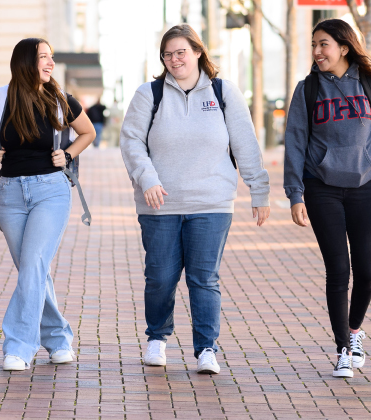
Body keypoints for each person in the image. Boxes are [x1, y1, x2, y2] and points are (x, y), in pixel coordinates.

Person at [118, 24, 270, 375]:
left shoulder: (222, 91)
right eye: (168, 54)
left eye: (181, 52)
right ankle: (157, 337)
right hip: (160, 204)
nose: (174, 59)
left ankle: (206, 349)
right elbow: (131, 142)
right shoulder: (149, 94)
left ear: (198, 52)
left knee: (204, 278)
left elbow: (244, 144)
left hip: (211, 203)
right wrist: (148, 179)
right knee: (160, 277)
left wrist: (258, 191)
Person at [282, 19, 371, 379]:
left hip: (364, 185)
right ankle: (342, 349)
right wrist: (295, 193)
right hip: (321, 187)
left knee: (367, 272)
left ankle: (354, 331)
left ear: (344, 47)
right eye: (313, 45)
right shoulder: (307, 90)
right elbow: (294, 143)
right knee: (338, 270)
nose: (317, 51)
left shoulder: (369, 85)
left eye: (324, 44)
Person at [0, 38, 98, 372]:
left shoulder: (59, 99)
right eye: (43, 57)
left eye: (51, 57)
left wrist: (67, 154)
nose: (50, 63)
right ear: (26, 61)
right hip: (9, 194)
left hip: (50, 191)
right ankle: (57, 338)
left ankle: (19, 345)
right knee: (32, 270)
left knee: (34, 262)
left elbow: (88, 132)